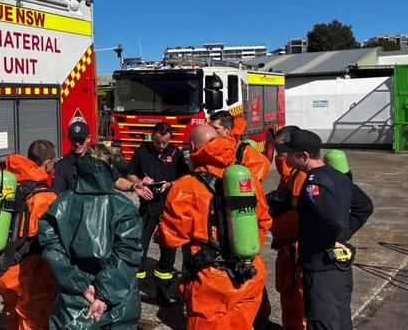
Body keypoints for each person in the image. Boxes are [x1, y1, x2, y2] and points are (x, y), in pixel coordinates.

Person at [156, 125, 271, 330]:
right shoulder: (247, 177)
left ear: (192, 147)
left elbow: (171, 237)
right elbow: (263, 221)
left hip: (211, 280)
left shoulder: (186, 186)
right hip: (249, 272)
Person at [39, 144, 142, 329]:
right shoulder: (124, 207)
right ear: (110, 169)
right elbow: (127, 255)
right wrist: (102, 294)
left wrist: (82, 286)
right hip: (116, 298)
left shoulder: (60, 204)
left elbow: (52, 249)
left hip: (74, 295)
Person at [284, 129, 373, 330]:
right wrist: (344, 234)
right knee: (340, 319)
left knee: (323, 322)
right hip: (338, 268)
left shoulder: (314, 184)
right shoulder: (338, 176)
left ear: (304, 156)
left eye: (290, 153)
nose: (286, 157)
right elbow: (364, 205)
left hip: (321, 267)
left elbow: (332, 220)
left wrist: (334, 237)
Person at [0, 139, 59, 330]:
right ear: (48, 163)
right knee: (33, 318)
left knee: (12, 311)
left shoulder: (7, 183)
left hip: (2, 268)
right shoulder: (45, 197)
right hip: (28, 272)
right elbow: (49, 240)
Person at [126, 122, 189, 305]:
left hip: (169, 208)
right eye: (157, 142)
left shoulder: (176, 154)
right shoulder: (141, 152)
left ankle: (163, 291)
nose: (161, 146)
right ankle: (134, 290)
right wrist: (140, 182)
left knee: (168, 250)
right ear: (152, 137)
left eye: (164, 143)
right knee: (138, 247)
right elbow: (130, 174)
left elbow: (185, 178)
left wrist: (169, 184)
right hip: (147, 208)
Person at [267, 125, 306, 330]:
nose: (278, 155)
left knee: (297, 294)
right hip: (285, 245)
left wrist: (278, 212)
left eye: (282, 150)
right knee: (287, 292)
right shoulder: (288, 177)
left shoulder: (300, 176)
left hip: (296, 247)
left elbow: (302, 213)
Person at [51, 121, 152, 199]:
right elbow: (57, 196)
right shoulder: (63, 166)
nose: (77, 144)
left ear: (88, 138)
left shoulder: (99, 159)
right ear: (69, 139)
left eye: (80, 140)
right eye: (74, 140)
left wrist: (133, 186)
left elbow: (118, 181)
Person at [208, 111, 270, 182]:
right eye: (210, 128)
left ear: (227, 130)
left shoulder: (241, 150)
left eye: (215, 128)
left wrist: (242, 185)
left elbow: (263, 163)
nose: (211, 131)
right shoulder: (207, 147)